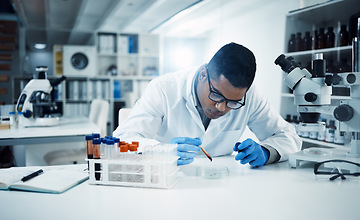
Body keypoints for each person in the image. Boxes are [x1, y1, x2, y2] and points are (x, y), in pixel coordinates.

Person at [113, 42, 302, 167]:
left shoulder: (249, 96)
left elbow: (289, 138)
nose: (222, 108)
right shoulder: (163, 89)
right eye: (217, 95)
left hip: (220, 187)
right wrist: (163, 151)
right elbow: (122, 140)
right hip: (170, 184)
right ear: (203, 74)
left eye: (233, 102)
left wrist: (266, 152)